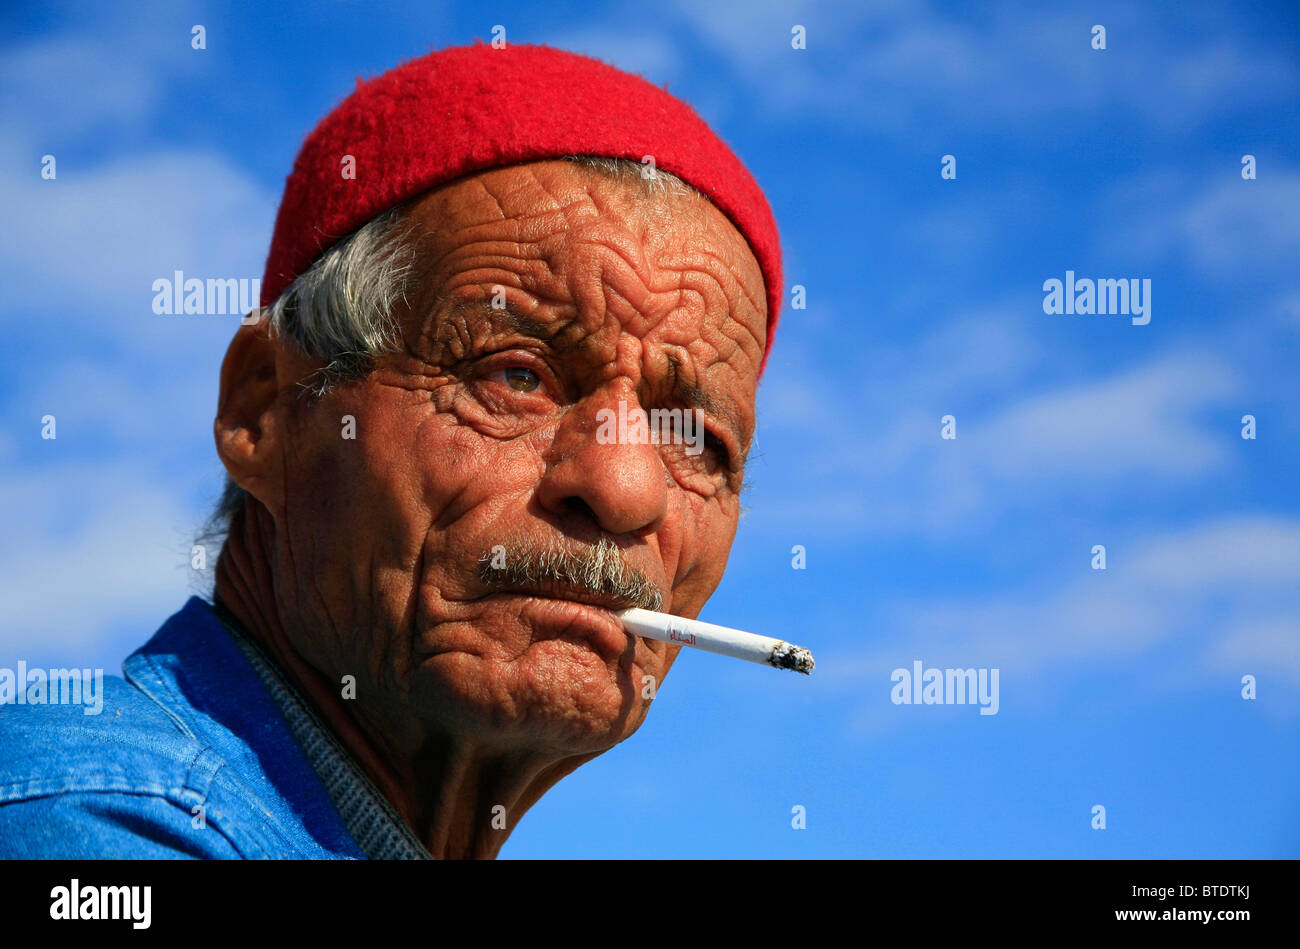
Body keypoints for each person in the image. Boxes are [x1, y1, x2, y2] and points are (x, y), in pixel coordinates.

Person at [0, 41, 782, 859]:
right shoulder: (93, 829)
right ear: (265, 406)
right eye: (517, 375)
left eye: (696, 440)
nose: (624, 487)